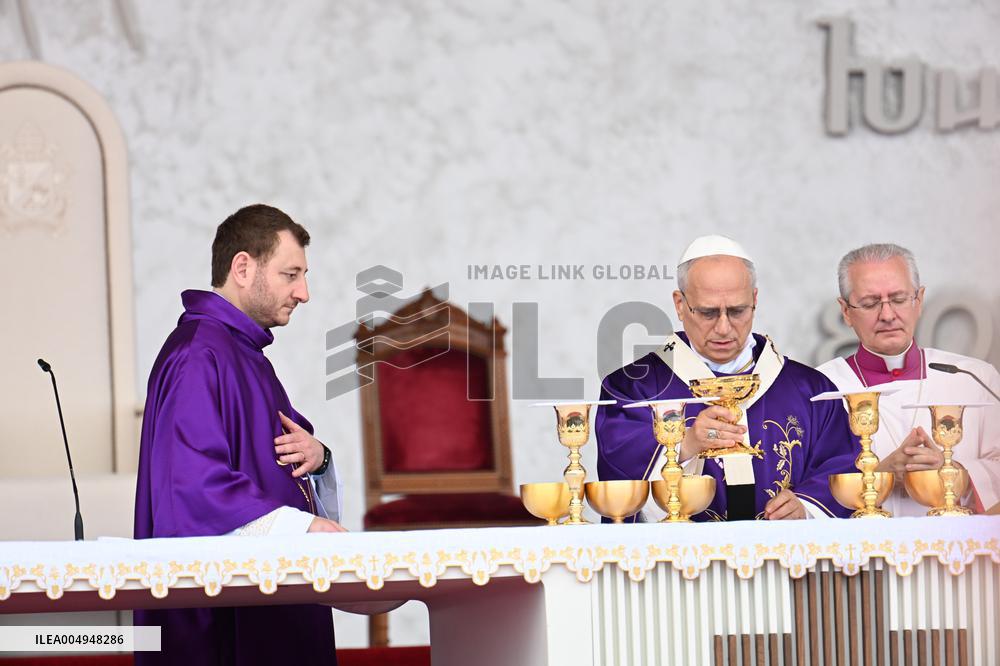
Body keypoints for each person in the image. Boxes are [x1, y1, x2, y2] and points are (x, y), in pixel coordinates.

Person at [134, 204, 344, 665]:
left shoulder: (242, 352)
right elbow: (193, 486)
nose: (304, 292)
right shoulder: (197, 355)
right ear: (243, 267)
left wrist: (319, 457)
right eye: (291, 274)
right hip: (222, 624)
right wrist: (302, 527)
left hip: (271, 600)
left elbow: (279, 463)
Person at [596, 235, 856, 521]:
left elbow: (841, 465)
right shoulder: (633, 389)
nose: (723, 327)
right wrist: (684, 445)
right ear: (680, 304)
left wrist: (806, 508)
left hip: (783, 560)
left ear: (754, 299)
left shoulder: (809, 390)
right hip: (680, 561)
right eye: (708, 312)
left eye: (737, 311)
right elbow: (617, 478)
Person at [817, 243, 1000, 516]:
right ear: (845, 311)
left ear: (919, 300)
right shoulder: (821, 386)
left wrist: (953, 471)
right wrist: (883, 475)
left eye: (899, 299)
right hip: (865, 553)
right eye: (870, 303)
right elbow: (806, 490)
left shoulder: (974, 378)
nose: (888, 315)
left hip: (961, 551)